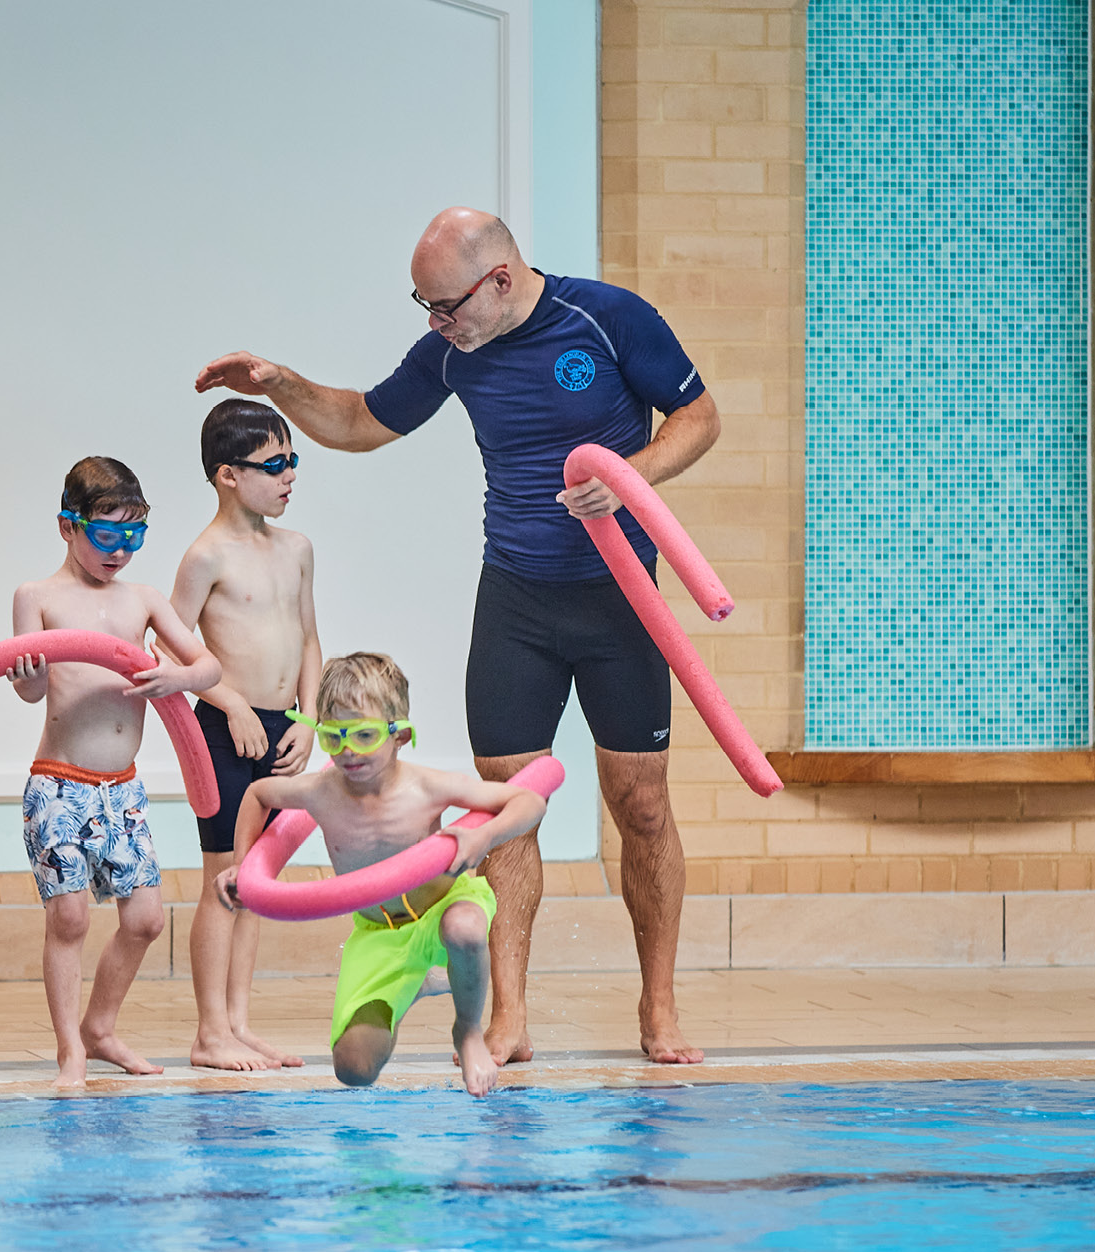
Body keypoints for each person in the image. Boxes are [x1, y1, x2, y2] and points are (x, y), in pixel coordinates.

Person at [196, 206, 717, 1066]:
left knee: (644, 805)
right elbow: (362, 420)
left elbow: (698, 417)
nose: (435, 325)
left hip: (620, 597)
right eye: (424, 306)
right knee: (507, 811)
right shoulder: (453, 350)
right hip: (516, 598)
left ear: (501, 281)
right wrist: (278, 382)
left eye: (446, 306)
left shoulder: (610, 319)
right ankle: (508, 1016)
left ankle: (657, 1009)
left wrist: (631, 478)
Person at [216, 653, 546, 1097]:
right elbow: (257, 794)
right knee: (354, 1069)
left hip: (443, 905)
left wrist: (482, 836)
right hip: (378, 932)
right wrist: (242, 866)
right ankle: (415, 981)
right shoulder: (320, 792)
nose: (349, 752)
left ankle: (467, 1032)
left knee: (465, 928)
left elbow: (529, 802)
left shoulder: (426, 788)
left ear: (400, 736)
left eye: (365, 735)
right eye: (334, 738)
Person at [6, 457, 223, 1088]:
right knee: (70, 917)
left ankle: (101, 1028)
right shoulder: (37, 597)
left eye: (135, 535)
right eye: (107, 535)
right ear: (67, 527)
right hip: (58, 781)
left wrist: (178, 679)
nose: (120, 551)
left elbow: (206, 666)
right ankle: (70, 1046)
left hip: (121, 788)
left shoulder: (144, 601)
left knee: (147, 919)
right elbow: (30, 693)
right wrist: (31, 674)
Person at [169, 400, 321, 1072]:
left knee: (257, 882)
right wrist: (229, 703)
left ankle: (238, 1021)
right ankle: (208, 1032)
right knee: (223, 881)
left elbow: (311, 639)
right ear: (228, 475)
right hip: (226, 732)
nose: (290, 476)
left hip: (286, 733)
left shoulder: (296, 548)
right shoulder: (206, 556)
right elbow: (168, 652)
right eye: (275, 465)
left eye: (293, 461)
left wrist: (310, 720)